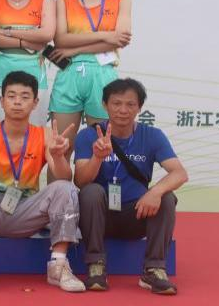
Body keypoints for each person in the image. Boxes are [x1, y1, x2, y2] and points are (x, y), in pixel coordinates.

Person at [0, 71, 85, 296]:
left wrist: (59, 156)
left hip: (27, 210)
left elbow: (64, 176)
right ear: (1, 100)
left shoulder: (44, 135)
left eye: (24, 97)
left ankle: (59, 265)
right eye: (11, 96)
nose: (17, 102)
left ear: (35, 103)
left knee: (66, 188)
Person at [74, 78, 187, 294]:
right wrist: (97, 157)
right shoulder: (88, 135)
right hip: (99, 217)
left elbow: (180, 173)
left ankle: (154, 270)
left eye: (130, 104)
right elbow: (80, 181)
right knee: (90, 192)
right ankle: (96, 265)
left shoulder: (152, 135)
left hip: (137, 214)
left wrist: (155, 191)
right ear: (105, 105)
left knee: (166, 197)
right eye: (116, 103)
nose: (123, 110)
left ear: (139, 108)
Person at [49, 0, 133, 165]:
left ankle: (95, 189)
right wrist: (106, 36)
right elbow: (61, 39)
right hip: (69, 74)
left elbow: (120, 39)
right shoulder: (64, 0)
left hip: (103, 74)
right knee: (60, 147)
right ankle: (59, 189)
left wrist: (75, 49)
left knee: (101, 147)